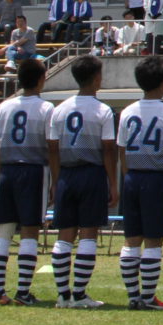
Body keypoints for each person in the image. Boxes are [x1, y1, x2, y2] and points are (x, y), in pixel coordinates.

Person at [116, 56, 163, 311]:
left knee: (131, 239)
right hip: (158, 178)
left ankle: (133, 296)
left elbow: (122, 149)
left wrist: (126, 175)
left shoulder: (127, 112)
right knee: (154, 240)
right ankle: (147, 296)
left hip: (132, 177)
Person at [47, 56, 117, 309]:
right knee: (88, 233)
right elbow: (108, 149)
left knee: (64, 235)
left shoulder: (60, 109)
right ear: (96, 78)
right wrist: (112, 182)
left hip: (66, 174)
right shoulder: (102, 110)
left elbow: (52, 149)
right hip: (92, 173)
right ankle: (79, 293)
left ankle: (62, 294)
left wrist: (56, 181)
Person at [0, 59, 54, 305]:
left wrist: (0, 172)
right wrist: (54, 179)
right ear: (40, 79)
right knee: (30, 231)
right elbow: (52, 146)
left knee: (3, 231)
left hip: (7, 170)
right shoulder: (46, 108)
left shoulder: (5, 107)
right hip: (34, 170)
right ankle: (23, 292)